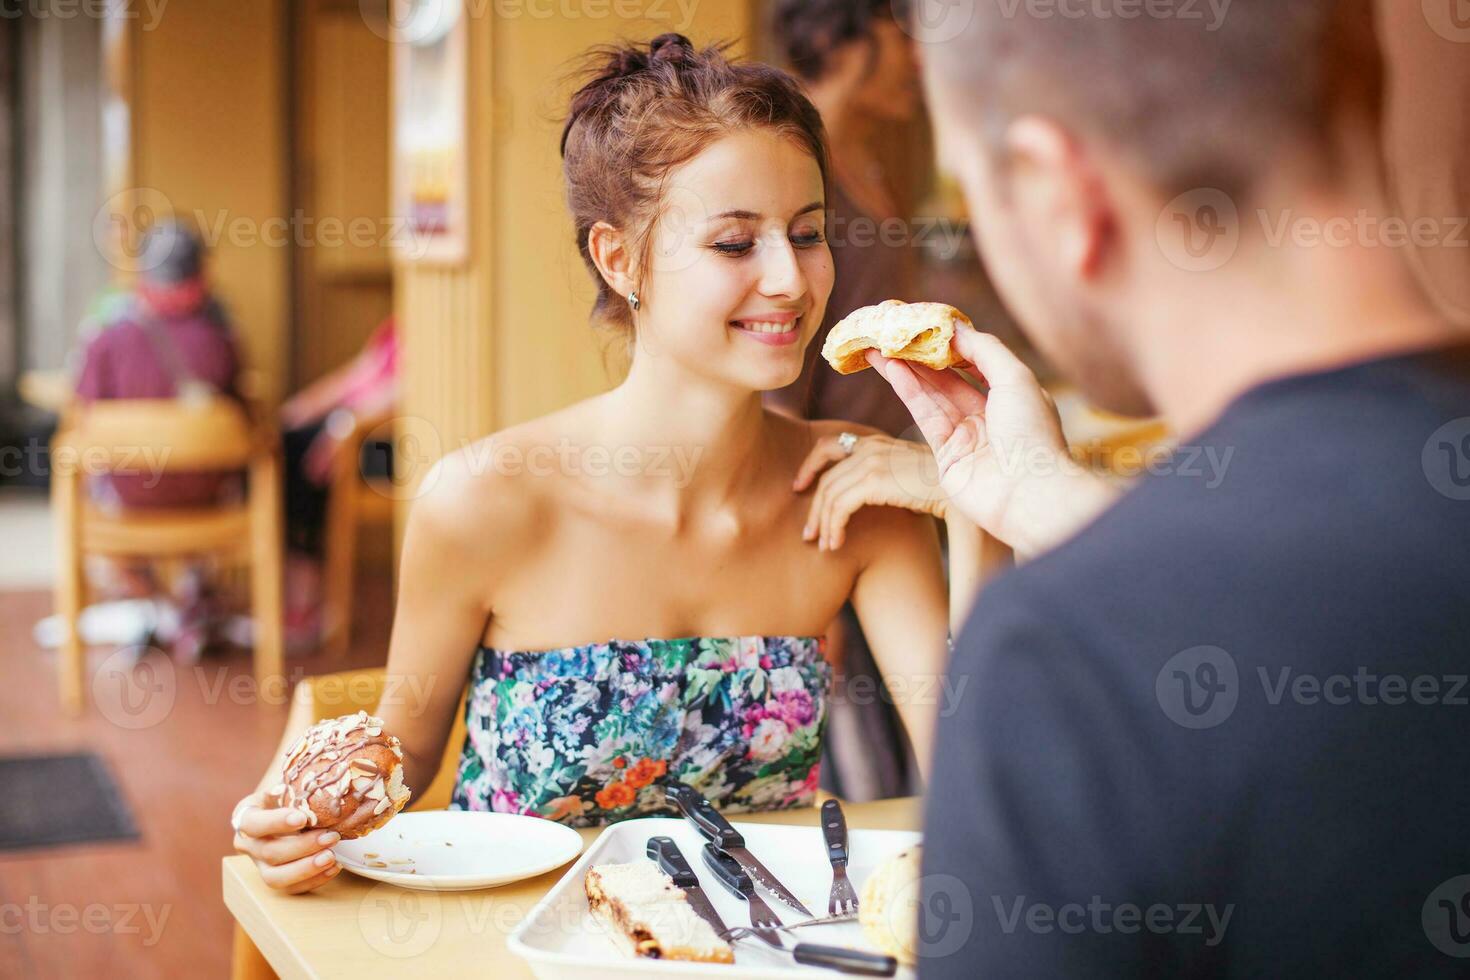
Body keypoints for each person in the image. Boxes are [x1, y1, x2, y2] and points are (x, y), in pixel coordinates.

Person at [231, 34, 986, 894]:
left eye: (808, 233)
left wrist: (966, 495)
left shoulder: (858, 496)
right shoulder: (484, 502)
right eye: (735, 244)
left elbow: (981, 783)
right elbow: (398, 754)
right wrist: (298, 822)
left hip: (759, 948)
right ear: (619, 259)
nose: (790, 278)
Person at [857, 2, 1470, 976]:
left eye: (981, 197)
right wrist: (1051, 502)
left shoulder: (1069, 659)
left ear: (1059, 193)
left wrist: (1090, 588)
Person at [766, 0, 929, 802]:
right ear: (847, 35)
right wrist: (801, 576)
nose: (920, 56)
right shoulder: (802, 175)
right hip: (825, 511)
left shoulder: (867, 162)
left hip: (885, 500)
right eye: (905, 31)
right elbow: (775, 398)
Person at [71, 219, 244, 662]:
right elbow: (242, 416)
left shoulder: (107, 335)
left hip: (130, 507)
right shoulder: (221, 338)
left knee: (91, 481)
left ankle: (164, 607)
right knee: (230, 472)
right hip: (210, 504)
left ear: (145, 276)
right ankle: (189, 601)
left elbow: (83, 419)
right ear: (201, 275)